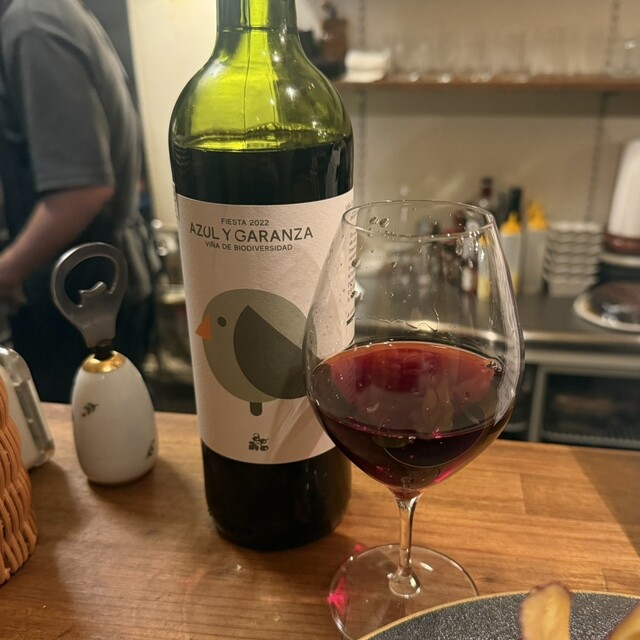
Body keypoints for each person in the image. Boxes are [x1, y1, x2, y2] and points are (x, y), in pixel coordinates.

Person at [0, 0, 160, 402]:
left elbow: (81, 191)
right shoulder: (51, 12)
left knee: (87, 433)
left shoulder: (32, 23)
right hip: (96, 281)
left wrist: (5, 272)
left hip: (78, 294)